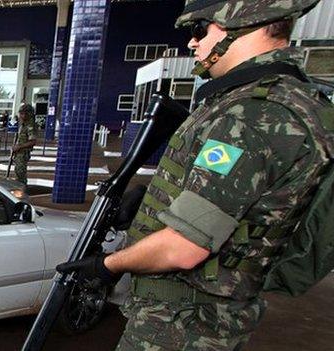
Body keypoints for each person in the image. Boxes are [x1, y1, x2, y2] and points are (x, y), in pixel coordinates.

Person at [57, 1, 333, 350]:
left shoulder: (251, 116)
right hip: (203, 318)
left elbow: (183, 248)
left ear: (242, 25)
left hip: (183, 324)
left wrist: (106, 265)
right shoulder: (288, 100)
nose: (192, 42)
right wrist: (152, 205)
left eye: (200, 29)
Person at [12, 104, 37, 185]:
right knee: (18, 173)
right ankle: (19, 189)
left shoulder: (30, 126)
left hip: (23, 153)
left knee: (21, 174)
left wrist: (19, 147)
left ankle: (22, 190)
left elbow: (32, 141)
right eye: (21, 113)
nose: (22, 116)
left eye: (24, 113)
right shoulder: (23, 125)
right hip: (18, 153)